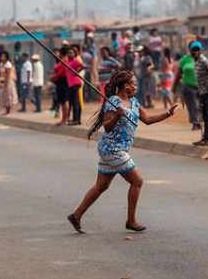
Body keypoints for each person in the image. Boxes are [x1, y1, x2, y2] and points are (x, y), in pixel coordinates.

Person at [67, 70, 178, 234]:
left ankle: (76, 215)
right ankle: (131, 221)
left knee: (101, 186)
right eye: (133, 83)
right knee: (137, 181)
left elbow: (147, 120)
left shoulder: (134, 102)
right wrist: (117, 116)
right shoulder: (113, 102)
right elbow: (107, 126)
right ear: (125, 86)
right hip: (112, 149)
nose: (135, 86)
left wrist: (168, 113)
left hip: (119, 148)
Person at [191, 40, 208, 146]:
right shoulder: (196, 61)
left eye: (197, 50)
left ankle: (206, 138)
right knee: (204, 114)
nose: (195, 52)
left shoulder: (203, 60)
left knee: (206, 115)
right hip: (201, 91)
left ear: (200, 51)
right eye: (193, 50)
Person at [177, 41, 201, 131]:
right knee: (192, 105)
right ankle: (195, 123)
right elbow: (179, 73)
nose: (195, 51)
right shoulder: (185, 59)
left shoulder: (203, 59)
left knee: (200, 106)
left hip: (201, 86)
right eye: (193, 48)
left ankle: (200, 121)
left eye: (197, 48)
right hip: (188, 86)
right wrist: (174, 87)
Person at [65, 46, 84, 125]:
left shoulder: (75, 61)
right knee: (74, 102)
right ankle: (76, 119)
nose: (70, 54)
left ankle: (76, 119)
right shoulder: (67, 62)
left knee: (75, 102)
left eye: (71, 53)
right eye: (69, 53)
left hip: (75, 83)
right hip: (71, 84)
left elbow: (82, 66)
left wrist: (76, 72)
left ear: (74, 54)